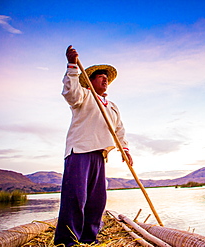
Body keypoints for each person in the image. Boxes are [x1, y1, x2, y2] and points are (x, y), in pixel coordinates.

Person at [54, 45, 133, 246]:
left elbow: (119, 130)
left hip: (100, 155)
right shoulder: (84, 95)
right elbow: (70, 94)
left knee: (97, 201)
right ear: (91, 81)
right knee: (76, 198)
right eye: (100, 77)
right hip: (80, 151)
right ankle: (68, 241)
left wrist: (124, 150)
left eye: (106, 78)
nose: (105, 79)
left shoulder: (112, 106)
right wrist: (72, 66)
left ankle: (89, 239)